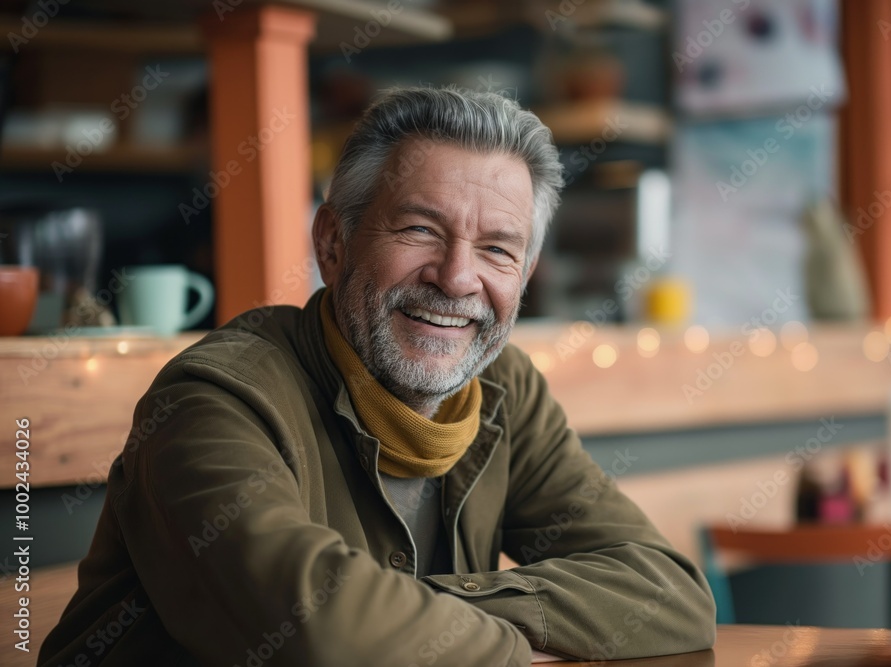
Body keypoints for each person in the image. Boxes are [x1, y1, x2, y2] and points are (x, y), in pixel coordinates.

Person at [39, 86, 715, 667]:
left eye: (496, 249)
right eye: (420, 229)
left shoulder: (505, 390)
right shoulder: (213, 400)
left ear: (524, 276)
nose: (456, 277)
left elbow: (671, 594)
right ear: (333, 243)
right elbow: (322, 632)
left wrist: (432, 615)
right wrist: (516, 639)